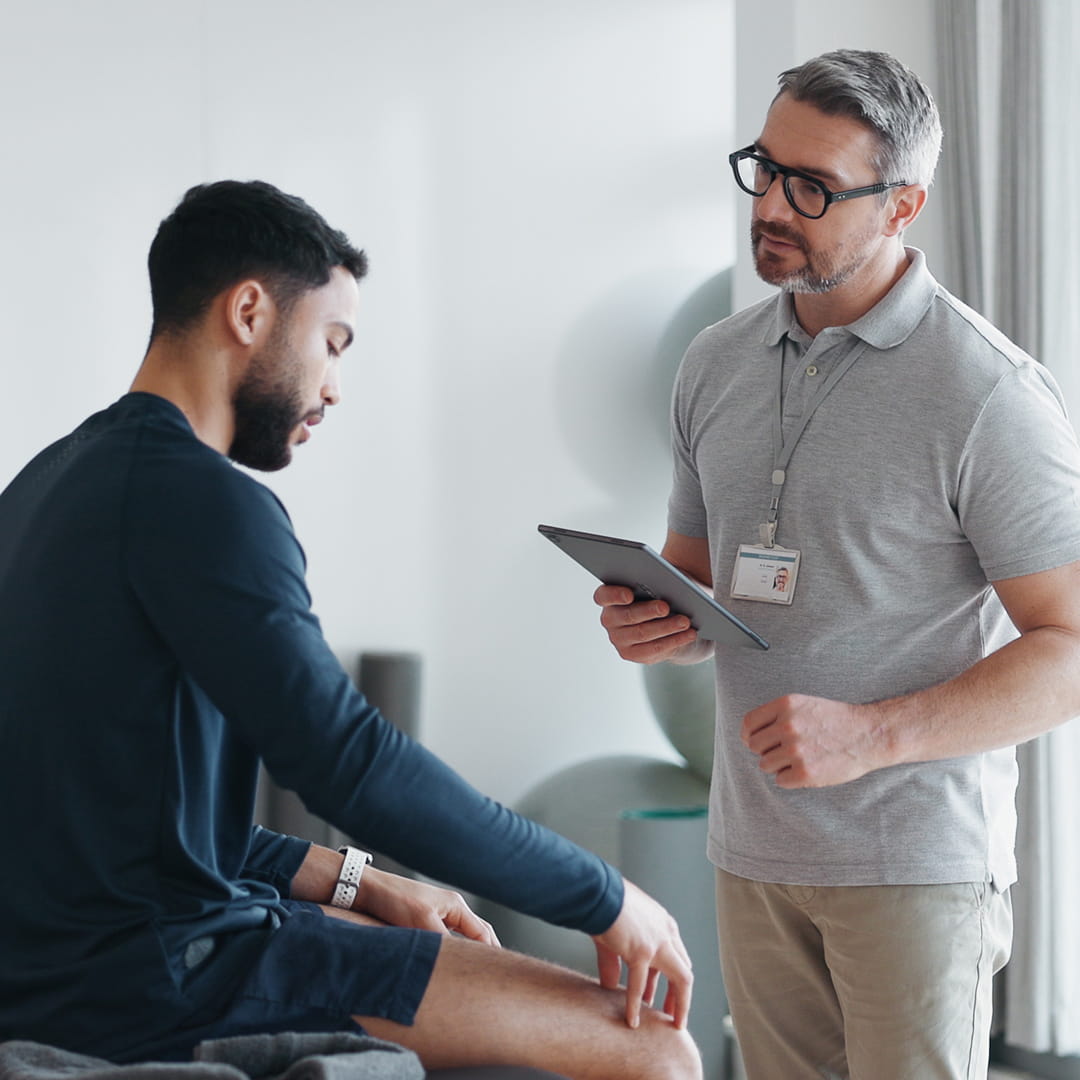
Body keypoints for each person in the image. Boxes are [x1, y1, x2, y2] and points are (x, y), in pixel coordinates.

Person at [0, 180, 702, 1080]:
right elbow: (348, 761)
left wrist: (362, 882)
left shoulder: (41, 492)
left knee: (420, 934)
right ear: (249, 310)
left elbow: (130, 819)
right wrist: (607, 898)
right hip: (159, 978)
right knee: (654, 1049)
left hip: (69, 963)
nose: (333, 386)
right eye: (331, 344)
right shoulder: (205, 501)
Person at [595, 49, 1080, 1080]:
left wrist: (874, 735)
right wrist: (660, 625)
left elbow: (1072, 647)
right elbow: (699, 585)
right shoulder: (713, 362)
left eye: (810, 186)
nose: (770, 203)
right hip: (754, 851)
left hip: (913, 868)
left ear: (902, 205)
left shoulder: (989, 395)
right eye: (763, 168)